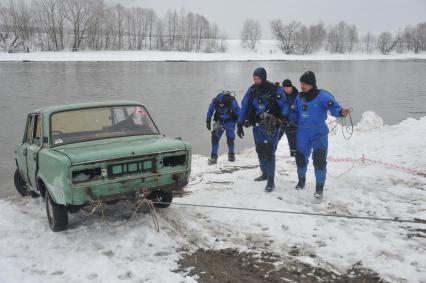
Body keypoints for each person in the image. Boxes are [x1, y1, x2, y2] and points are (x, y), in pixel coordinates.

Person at [292, 71, 350, 199]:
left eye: (305, 84)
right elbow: (295, 113)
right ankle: (301, 180)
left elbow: (335, 108)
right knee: (300, 158)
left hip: (319, 132)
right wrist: (287, 119)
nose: (302, 86)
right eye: (301, 83)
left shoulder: (323, 96)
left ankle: (319, 188)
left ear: (312, 84)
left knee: (319, 159)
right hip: (302, 132)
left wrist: (341, 112)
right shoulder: (299, 97)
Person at [237, 67, 289, 192]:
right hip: (257, 126)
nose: (256, 81)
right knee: (260, 150)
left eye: (258, 79)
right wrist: (239, 123)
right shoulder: (252, 90)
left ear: (264, 78)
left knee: (269, 151)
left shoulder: (274, 90)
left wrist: (284, 118)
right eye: (254, 79)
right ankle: (265, 173)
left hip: (271, 125)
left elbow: (284, 105)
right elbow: (244, 106)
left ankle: (271, 181)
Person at [206, 90, 240, 164]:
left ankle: (231, 155)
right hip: (219, 121)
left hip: (230, 122)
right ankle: (213, 157)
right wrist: (208, 120)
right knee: (214, 138)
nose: (221, 105)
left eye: (222, 104)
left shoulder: (231, 101)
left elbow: (238, 112)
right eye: (220, 104)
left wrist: (240, 123)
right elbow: (210, 110)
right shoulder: (215, 102)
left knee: (230, 139)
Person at [280, 79, 299, 157]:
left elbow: (297, 110)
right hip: (282, 121)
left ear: (291, 87)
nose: (286, 89)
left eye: (288, 87)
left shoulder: (297, 96)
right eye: (284, 88)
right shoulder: (280, 95)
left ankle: (294, 155)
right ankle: (270, 153)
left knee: (293, 140)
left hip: (293, 122)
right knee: (276, 137)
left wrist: (291, 118)